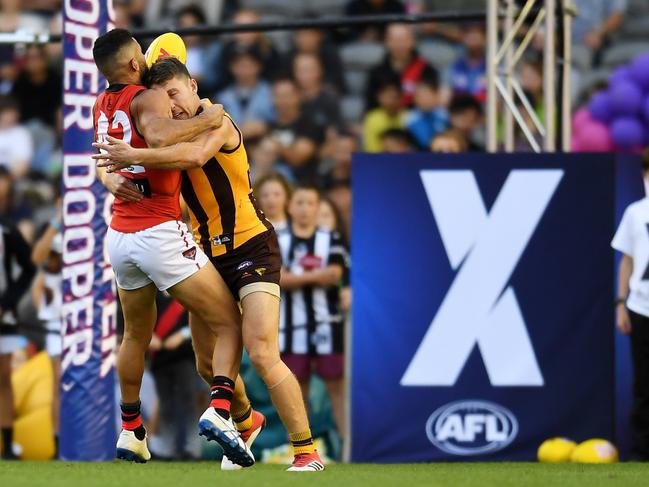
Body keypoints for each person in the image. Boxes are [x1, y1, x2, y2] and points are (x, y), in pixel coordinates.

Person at [93, 57, 325, 472]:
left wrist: (135, 151)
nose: (173, 107)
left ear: (193, 85)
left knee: (261, 350)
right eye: (164, 101)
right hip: (206, 251)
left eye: (176, 95)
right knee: (206, 363)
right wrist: (109, 174)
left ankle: (306, 451)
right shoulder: (164, 134)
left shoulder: (218, 121)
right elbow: (120, 153)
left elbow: (196, 156)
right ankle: (245, 420)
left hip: (252, 246)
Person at [91, 29, 254, 467]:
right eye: (140, 57)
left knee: (133, 336)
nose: (145, 61)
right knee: (229, 322)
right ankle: (223, 410)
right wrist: (213, 116)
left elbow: (108, 160)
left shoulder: (102, 106)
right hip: (159, 231)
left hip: (120, 237)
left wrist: (109, 177)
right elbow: (163, 137)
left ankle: (131, 430)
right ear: (131, 65)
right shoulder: (145, 97)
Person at [278, 185, 349, 440]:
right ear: (289, 207)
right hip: (290, 329)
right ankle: (300, 450)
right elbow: (280, 280)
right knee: (296, 392)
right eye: (299, 202)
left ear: (318, 208)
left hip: (328, 325)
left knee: (337, 389)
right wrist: (319, 276)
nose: (305, 209)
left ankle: (349, 449)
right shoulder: (279, 238)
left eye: (310, 203)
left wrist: (296, 277)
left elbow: (336, 275)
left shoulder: (332, 238)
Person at [612, 159, 649, 461]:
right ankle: (642, 449)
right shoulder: (635, 212)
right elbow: (627, 260)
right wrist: (621, 303)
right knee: (644, 381)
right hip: (641, 305)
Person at [0, 217, 35, 460]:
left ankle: (9, 445)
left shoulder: (7, 231)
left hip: (3, 316)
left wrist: (7, 302)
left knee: (3, 378)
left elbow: (29, 266)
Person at [30, 211, 63, 458]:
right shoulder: (54, 233)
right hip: (57, 323)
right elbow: (36, 258)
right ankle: (58, 442)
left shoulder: (94, 230)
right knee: (58, 385)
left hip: (85, 322)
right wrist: (56, 220)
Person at [365, 23, 438, 109]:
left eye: (403, 40)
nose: (399, 45)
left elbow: (433, 103)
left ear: (412, 41)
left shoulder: (426, 70)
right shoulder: (376, 73)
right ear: (386, 41)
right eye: (394, 40)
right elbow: (370, 106)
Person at [268, 77, 325, 185]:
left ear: (298, 96)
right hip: (269, 187)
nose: (282, 101)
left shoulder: (310, 125)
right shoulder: (267, 125)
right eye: (277, 96)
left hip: (301, 186)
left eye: (286, 96)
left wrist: (273, 143)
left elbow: (297, 158)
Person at [217, 44, 275, 139]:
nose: (244, 69)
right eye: (239, 64)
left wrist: (267, 126)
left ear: (259, 66)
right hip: (232, 145)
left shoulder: (272, 91)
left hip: (265, 142)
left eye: (249, 63)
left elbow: (283, 121)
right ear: (231, 67)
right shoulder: (223, 96)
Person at [362, 74, 407, 152]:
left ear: (401, 97)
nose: (390, 101)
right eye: (387, 96)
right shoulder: (372, 119)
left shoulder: (409, 117)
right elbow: (371, 150)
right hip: (379, 160)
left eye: (394, 97)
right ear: (379, 97)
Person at [444, 23, 486, 103]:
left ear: (485, 37)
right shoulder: (454, 67)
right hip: (460, 112)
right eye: (468, 33)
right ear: (462, 36)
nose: (472, 37)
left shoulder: (493, 67)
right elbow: (445, 100)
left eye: (476, 33)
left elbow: (498, 103)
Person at [406, 74, 449, 150]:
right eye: (419, 95)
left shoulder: (445, 115)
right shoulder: (409, 118)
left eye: (427, 95)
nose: (424, 99)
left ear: (437, 96)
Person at [0, 95, 33, 179]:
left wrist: (4, 179)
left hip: (11, 181)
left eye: (16, 113)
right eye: (10, 113)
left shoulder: (22, 134)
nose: (15, 116)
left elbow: (23, 167)